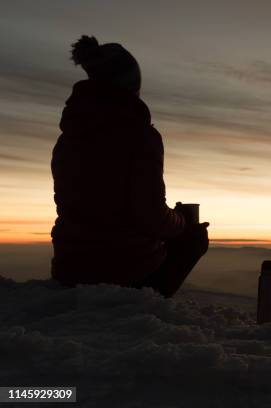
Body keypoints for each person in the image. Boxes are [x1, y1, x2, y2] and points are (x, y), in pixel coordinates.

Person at [51, 35, 208, 297]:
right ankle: (146, 307)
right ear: (130, 85)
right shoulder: (140, 136)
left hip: (69, 267)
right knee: (194, 240)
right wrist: (182, 222)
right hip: (124, 271)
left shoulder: (68, 138)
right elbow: (149, 212)